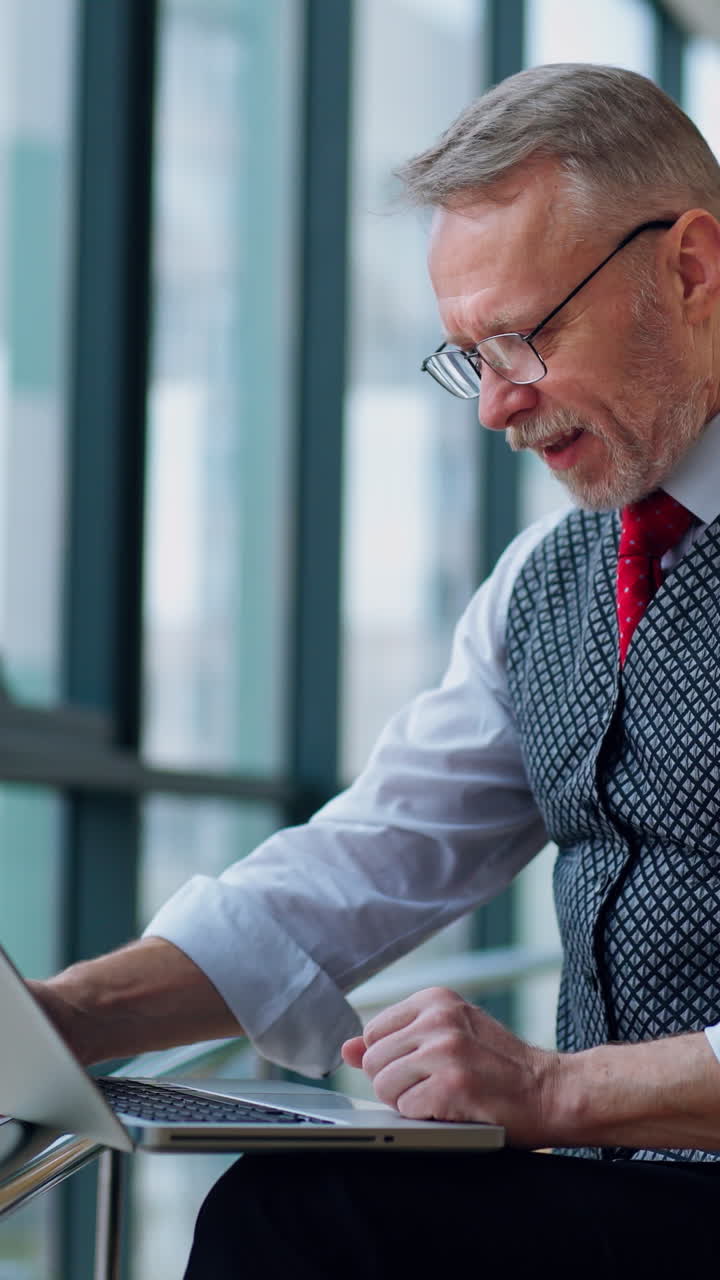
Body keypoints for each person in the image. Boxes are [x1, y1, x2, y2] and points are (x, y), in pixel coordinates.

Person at [31, 63, 720, 1274]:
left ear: (692, 269)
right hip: (632, 1213)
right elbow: (365, 859)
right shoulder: (543, 585)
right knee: (286, 1197)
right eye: (468, 355)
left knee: (308, 1222)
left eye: (524, 335)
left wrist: (557, 1092)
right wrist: (65, 1017)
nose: (496, 405)